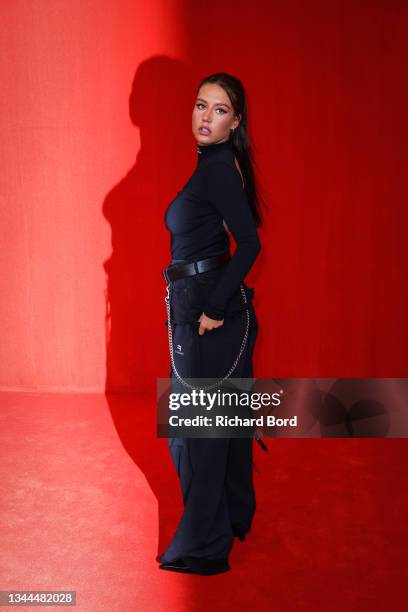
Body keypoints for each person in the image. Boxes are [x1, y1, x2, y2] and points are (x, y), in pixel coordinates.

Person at [158, 72, 264, 575]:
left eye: (219, 110)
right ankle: (234, 516)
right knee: (222, 424)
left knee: (196, 432)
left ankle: (204, 545)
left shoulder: (219, 169)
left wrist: (215, 308)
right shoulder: (217, 164)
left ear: (235, 121)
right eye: (201, 105)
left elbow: (251, 244)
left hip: (208, 308)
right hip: (204, 298)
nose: (206, 117)